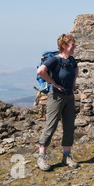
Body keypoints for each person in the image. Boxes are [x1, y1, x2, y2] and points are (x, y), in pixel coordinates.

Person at [36, 34, 79, 171]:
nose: (74, 47)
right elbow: (41, 71)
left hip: (69, 96)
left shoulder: (72, 60)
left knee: (69, 126)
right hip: (56, 96)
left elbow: (76, 69)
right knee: (51, 125)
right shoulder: (54, 60)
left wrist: (73, 83)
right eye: (72, 45)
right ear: (64, 46)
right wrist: (53, 83)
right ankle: (41, 157)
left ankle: (67, 156)